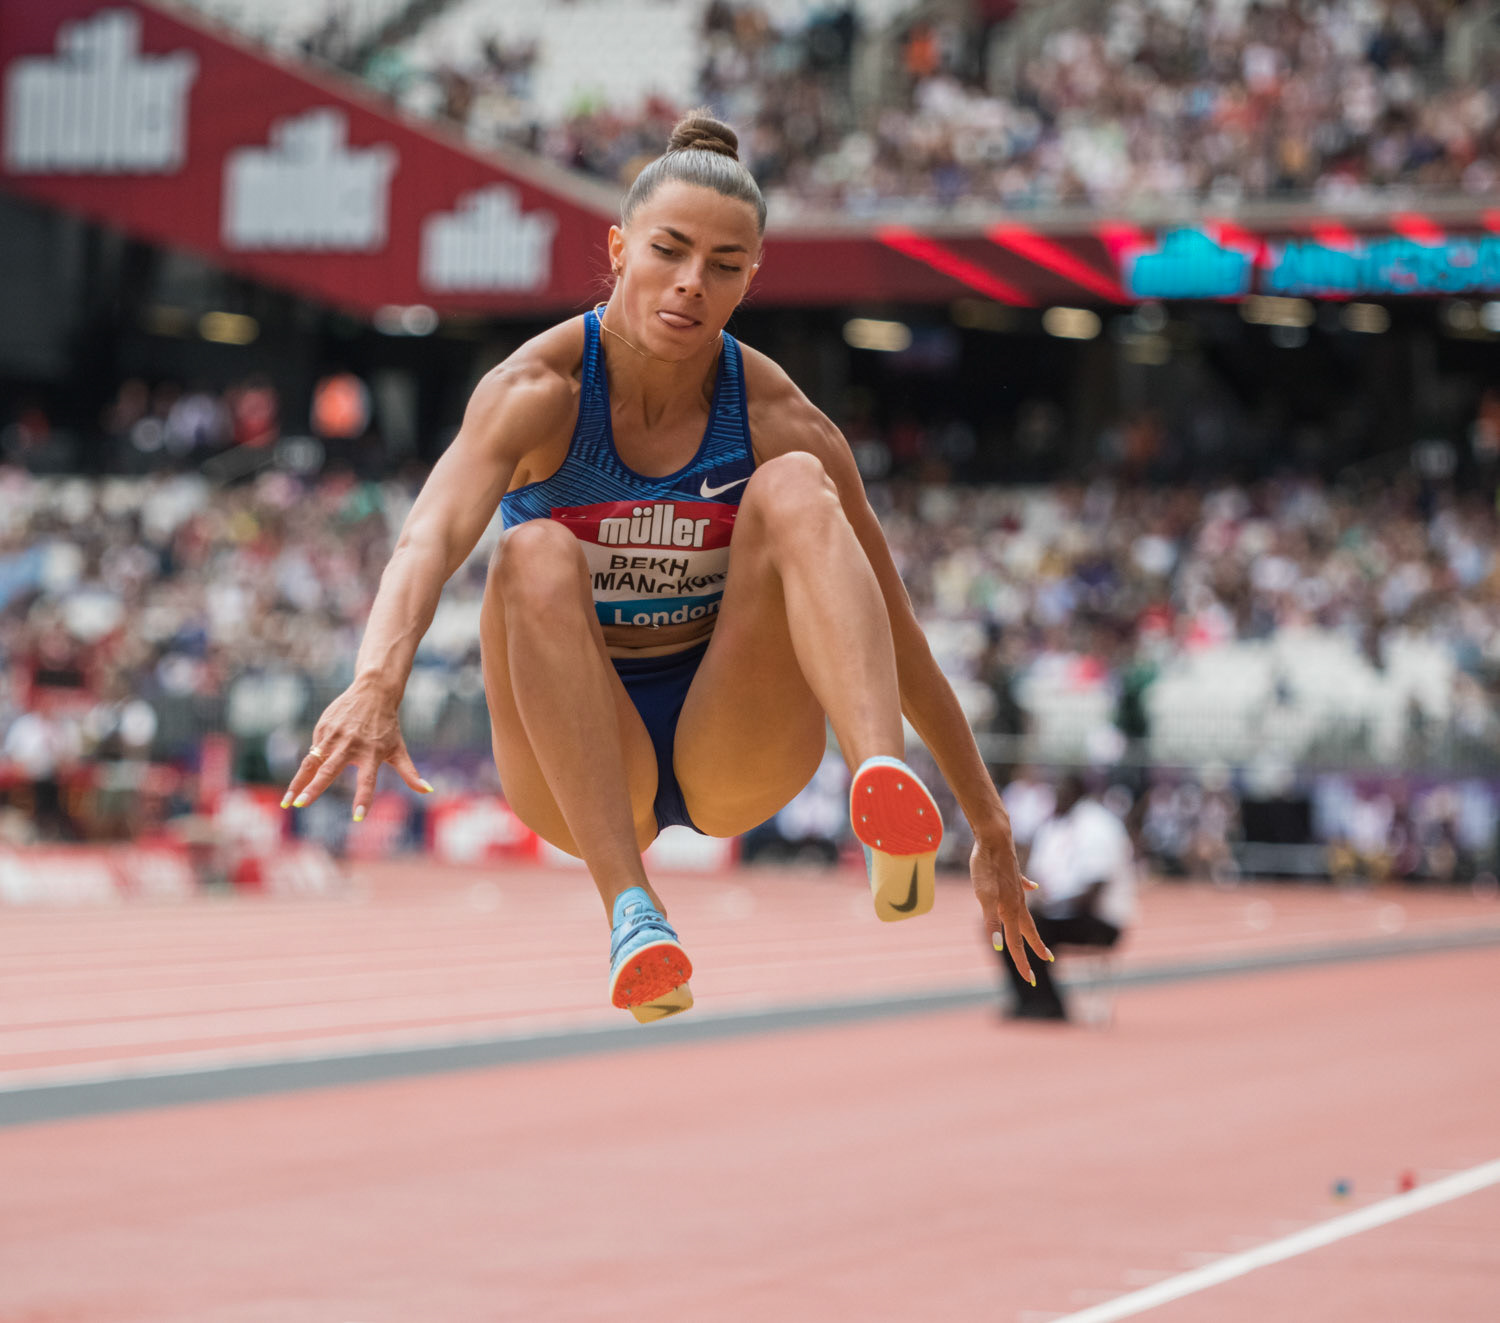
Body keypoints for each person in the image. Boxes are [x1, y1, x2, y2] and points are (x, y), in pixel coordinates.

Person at [281, 111, 1048, 1022]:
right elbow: (428, 538)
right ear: (618, 247)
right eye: (670, 251)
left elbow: (889, 625)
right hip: (584, 752)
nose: (691, 284)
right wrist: (378, 679)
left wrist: (988, 822)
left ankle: (880, 791)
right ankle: (632, 913)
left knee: (799, 486)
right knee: (531, 549)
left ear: (752, 277)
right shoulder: (538, 393)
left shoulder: (777, 415)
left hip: (732, 733)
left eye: (725, 266)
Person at [998, 774, 1135, 1021]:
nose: (1053, 800)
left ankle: (1047, 1004)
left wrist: (1050, 904)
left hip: (1100, 918)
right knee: (1005, 923)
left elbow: (1094, 888)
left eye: (1058, 793)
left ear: (1075, 792)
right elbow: (1037, 876)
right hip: (1062, 912)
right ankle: (1033, 999)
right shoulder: (1056, 826)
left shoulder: (1098, 825)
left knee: (1030, 927)